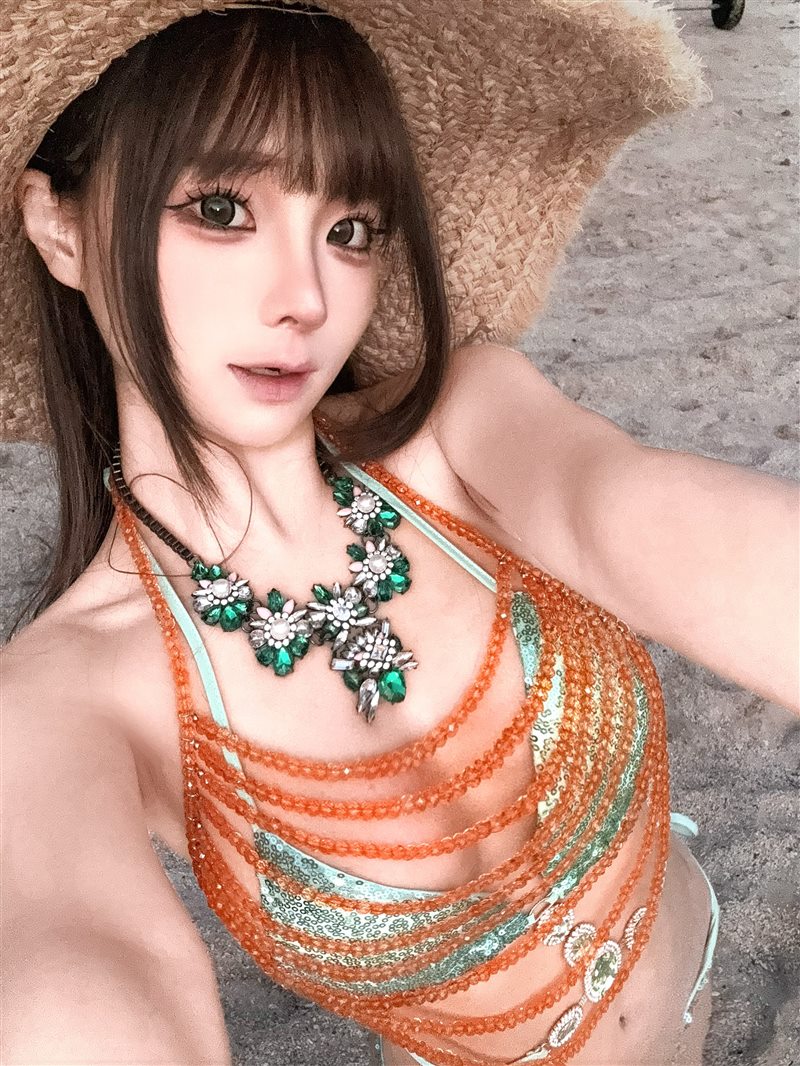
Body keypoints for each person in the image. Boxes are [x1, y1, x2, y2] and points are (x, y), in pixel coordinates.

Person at [1, 3, 797, 1065]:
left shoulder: (463, 428)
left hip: (688, 973)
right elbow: (79, 967)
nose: (305, 298)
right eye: (224, 209)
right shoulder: (59, 701)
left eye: (350, 230)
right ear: (59, 226)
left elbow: (641, 512)